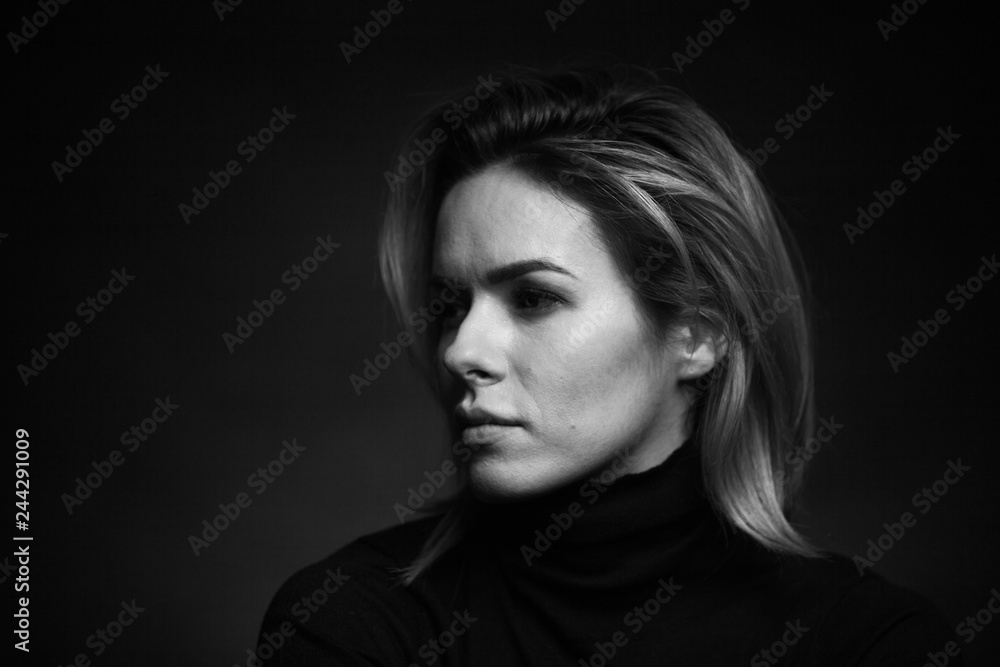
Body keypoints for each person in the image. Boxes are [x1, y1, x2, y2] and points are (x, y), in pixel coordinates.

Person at [258, 62, 959, 665]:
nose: (459, 350)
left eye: (533, 297)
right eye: (450, 303)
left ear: (697, 336)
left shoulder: (868, 643)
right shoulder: (351, 622)